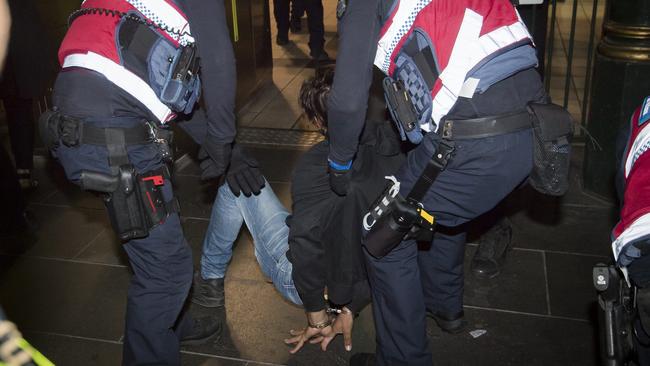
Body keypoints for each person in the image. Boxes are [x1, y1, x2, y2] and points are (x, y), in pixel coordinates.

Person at [325, 1, 550, 364]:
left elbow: (348, 100)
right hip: (536, 130)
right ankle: (444, 305)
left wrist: (338, 163)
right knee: (439, 204)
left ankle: (402, 359)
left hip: (473, 140)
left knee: (383, 234)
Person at [44, 1, 264, 364]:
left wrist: (227, 148)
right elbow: (220, 63)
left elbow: (167, 96)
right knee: (167, 271)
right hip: (113, 135)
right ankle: (155, 335)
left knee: (156, 230)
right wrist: (223, 142)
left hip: (84, 120)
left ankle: (169, 323)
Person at [192, 66, 404, 353]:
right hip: (370, 279)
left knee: (236, 185)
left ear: (317, 121)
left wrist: (317, 315)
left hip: (313, 285)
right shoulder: (400, 147)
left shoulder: (316, 165)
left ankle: (210, 283)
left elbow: (305, 245)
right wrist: (350, 307)